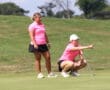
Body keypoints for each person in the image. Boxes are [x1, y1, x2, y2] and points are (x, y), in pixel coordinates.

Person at [28, 12, 57, 78]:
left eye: (41, 17)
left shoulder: (42, 25)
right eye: (39, 17)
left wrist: (48, 42)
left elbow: (45, 34)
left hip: (43, 44)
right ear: (35, 18)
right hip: (35, 44)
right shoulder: (32, 25)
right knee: (38, 59)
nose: (40, 18)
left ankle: (50, 73)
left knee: (48, 57)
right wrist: (35, 44)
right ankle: (39, 74)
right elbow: (31, 36)